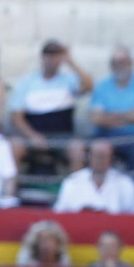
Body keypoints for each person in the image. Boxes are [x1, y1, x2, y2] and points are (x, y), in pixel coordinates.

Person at [8, 40, 92, 174]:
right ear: (42, 57)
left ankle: (76, 191)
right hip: (32, 136)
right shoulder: (27, 82)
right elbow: (16, 117)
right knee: (14, 146)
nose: (51, 59)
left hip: (63, 136)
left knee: (77, 149)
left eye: (56, 55)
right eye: (48, 54)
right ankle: (10, 192)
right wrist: (33, 136)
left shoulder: (69, 80)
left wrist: (70, 62)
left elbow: (89, 86)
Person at [89, 46, 134, 174]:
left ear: (131, 63)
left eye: (123, 62)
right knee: (86, 150)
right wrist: (129, 116)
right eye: (115, 63)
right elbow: (96, 118)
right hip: (106, 135)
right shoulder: (101, 85)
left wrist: (109, 116)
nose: (119, 66)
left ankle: (130, 190)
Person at [53, 139, 134, 213]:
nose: (100, 161)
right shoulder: (72, 181)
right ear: (89, 157)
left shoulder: (125, 183)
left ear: (111, 159)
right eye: (97, 156)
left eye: (104, 156)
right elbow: (60, 213)